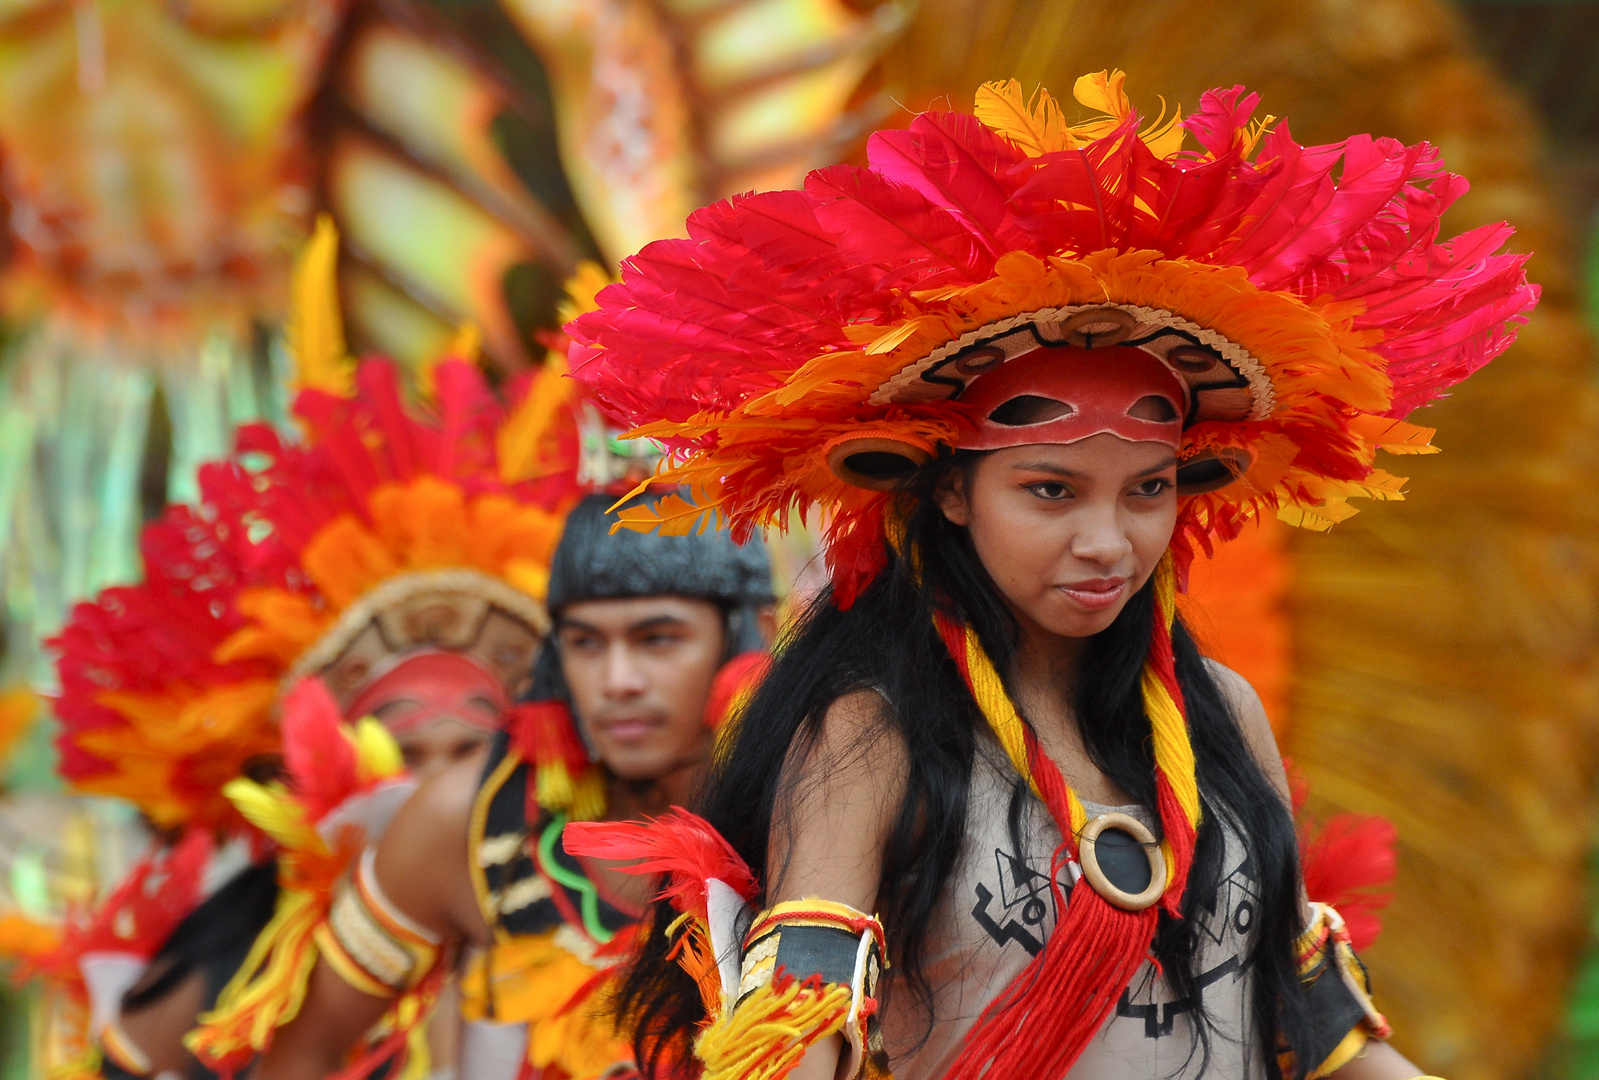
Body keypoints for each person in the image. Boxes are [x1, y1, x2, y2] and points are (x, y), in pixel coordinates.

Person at [561, 74, 1538, 1079]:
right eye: (1053, 492)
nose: (1109, 542)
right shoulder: (869, 734)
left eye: (1147, 490)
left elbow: (1325, 1039)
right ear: (951, 492)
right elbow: (801, 1043)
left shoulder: (1224, 718)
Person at [32, 223, 583, 1080]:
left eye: (465, 752)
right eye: (401, 753)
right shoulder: (237, 959)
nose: (432, 787)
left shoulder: (572, 939)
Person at [208, 490, 776, 1080]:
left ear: (754, 634)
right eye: (585, 642)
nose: (618, 680)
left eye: (657, 639)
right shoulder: (464, 822)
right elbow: (305, 1053)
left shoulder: (811, 813)